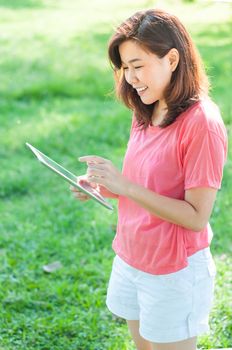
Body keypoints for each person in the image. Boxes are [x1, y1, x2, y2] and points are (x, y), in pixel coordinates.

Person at [70, 9, 227, 350]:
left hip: (173, 271)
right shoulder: (146, 108)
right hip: (131, 255)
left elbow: (196, 216)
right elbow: (146, 185)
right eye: (125, 68)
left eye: (138, 66)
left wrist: (124, 185)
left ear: (172, 59)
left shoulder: (203, 123)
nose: (129, 78)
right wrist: (103, 187)